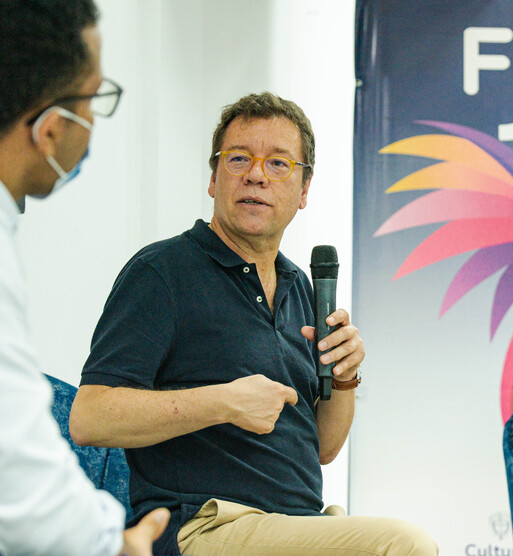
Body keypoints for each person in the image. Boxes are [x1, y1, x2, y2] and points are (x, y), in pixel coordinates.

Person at [69, 91, 438, 555]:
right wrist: (224, 402)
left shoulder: (300, 286)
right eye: (239, 159)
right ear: (213, 178)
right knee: (404, 546)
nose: (257, 175)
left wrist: (344, 379)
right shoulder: (163, 272)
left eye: (279, 164)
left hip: (296, 524)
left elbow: (321, 449)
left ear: (304, 191)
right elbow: (89, 417)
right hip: (206, 527)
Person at [0, 0, 170, 554]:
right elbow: (22, 482)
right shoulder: (159, 272)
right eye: (95, 98)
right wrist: (112, 541)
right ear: (50, 130)